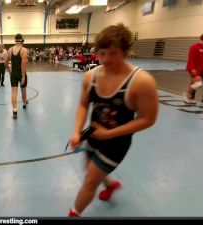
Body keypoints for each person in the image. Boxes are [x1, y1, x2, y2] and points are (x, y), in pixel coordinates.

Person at [68, 24, 158, 217]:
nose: (106, 59)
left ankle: (74, 214)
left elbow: (148, 119)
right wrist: (77, 131)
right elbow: (83, 105)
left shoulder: (141, 82)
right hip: (93, 135)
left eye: (114, 53)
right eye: (102, 53)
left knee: (90, 181)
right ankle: (111, 185)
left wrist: (109, 133)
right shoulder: (90, 77)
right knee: (90, 169)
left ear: (125, 52)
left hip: (117, 143)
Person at [5, 34, 28, 119]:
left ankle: (15, 111)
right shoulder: (24, 50)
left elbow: (5, 61)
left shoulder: (10, 49)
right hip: (21, 74)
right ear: (22, 40)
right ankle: (24, 103)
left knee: (14, 93)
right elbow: (23, 64)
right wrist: (23, 77)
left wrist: (9, 70)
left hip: (13, 74)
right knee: (23, 91)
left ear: (15, 40)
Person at [183, 34, 203, 104]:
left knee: (193, 83)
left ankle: (188, 97)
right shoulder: (194, 47)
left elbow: (202, 60)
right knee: (199, 83)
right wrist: (192, 68)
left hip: (199, 69)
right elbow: (190, 58)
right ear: (201, 40)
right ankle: (186, 95)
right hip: (193, 68)